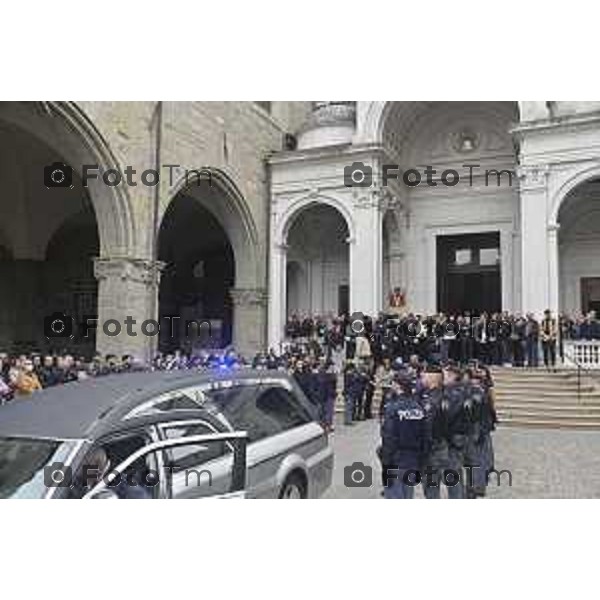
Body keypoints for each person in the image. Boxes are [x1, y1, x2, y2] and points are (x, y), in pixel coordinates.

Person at [380, 373, 429, 499]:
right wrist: (421, 462)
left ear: (398, 386)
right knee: (408, 495)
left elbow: (388, 437)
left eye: (393, 383)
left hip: (396, 460)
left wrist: (386, 463)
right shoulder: (419, 408)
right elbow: (425, 436)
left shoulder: (392, 408)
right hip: (413, 459)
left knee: (394, 495)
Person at [418, 364, 448, 499]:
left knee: (430, 487)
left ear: (432, 378)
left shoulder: (434, 399)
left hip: (433, 449)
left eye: (424, 375)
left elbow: (428, 426)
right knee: (430, 486)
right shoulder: (434, 395)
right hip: (437, 447)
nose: (421, 377)